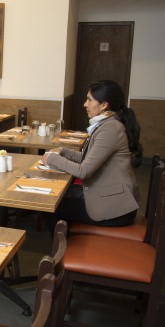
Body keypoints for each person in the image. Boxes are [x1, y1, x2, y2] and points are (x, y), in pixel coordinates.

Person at [42, 80, 143, 236]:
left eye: (89, 99)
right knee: (59, 194)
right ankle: (69, 241)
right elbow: (89, 158)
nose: (85, 104)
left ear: (104, 105)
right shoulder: (108, 123)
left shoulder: (109, 128)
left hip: (115, 208)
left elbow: (84, 171)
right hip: (112, 198)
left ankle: (67, 247)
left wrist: (51, 159)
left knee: (49, 203)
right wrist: (63, 151)